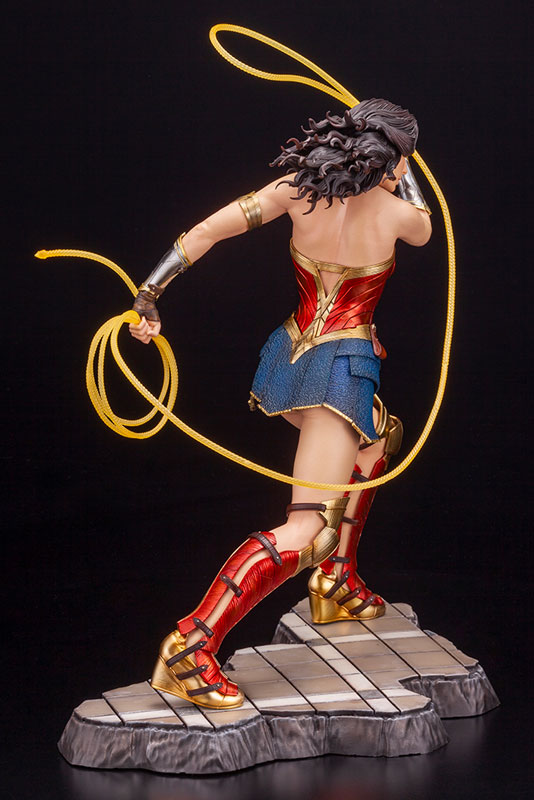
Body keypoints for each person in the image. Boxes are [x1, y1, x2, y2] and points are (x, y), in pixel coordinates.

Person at [129, 99, 432, 709]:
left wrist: (149, 293)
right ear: (392, 161)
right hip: (336, 379)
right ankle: (192, 645)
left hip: (290, 356)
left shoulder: (297, 189)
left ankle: (335, 581)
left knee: (378, 440)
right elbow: (425, 222)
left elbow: (207, 231)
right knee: (308, 528)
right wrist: (403, 169)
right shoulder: (399, 212)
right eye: (402, 158)